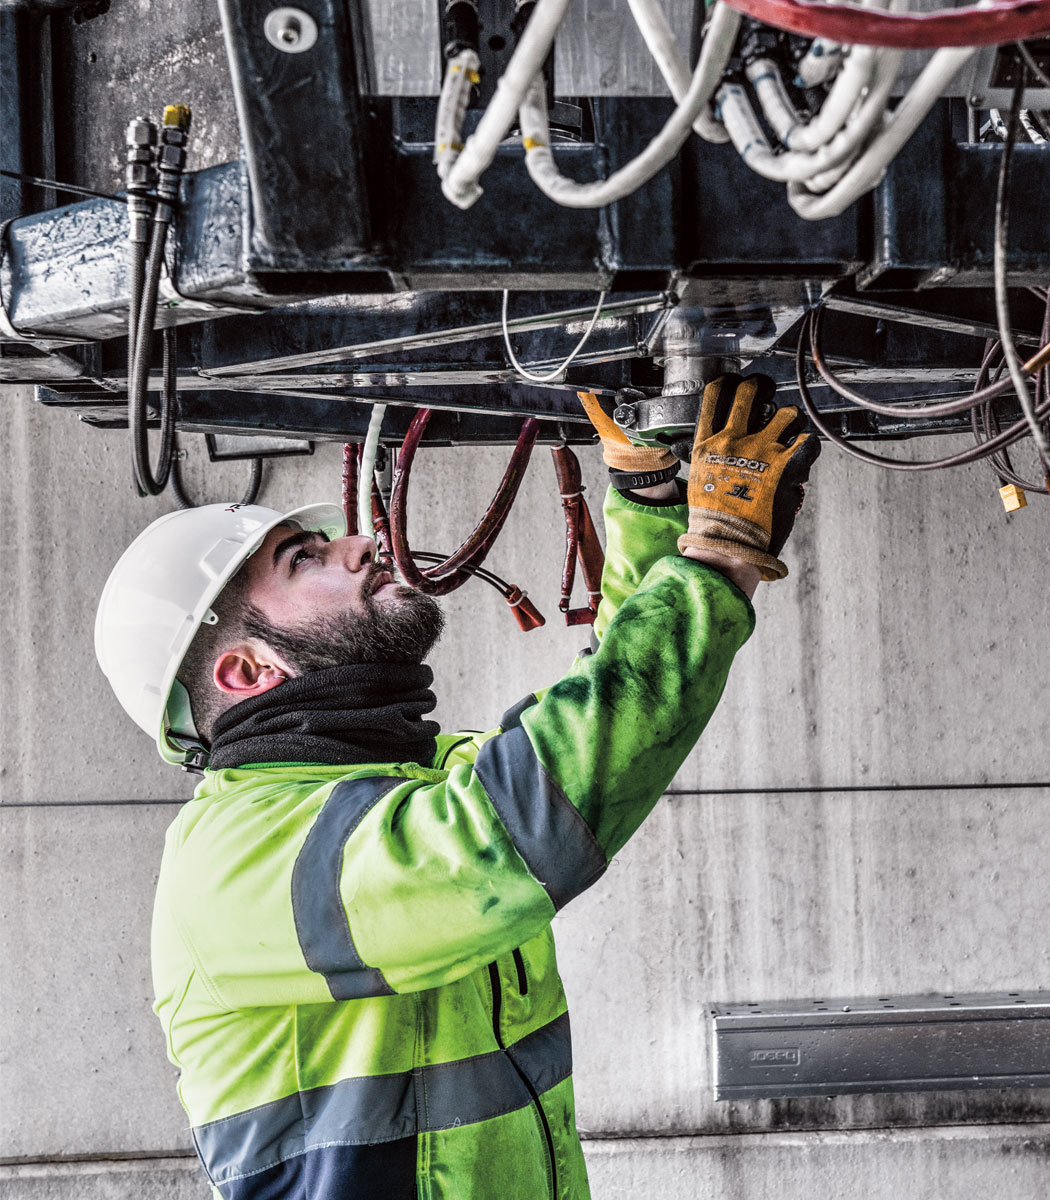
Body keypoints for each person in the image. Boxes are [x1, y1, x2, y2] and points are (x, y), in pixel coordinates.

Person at [93, 375, 818, 1199]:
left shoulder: (411, 787)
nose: (359, 544)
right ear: (248, 669)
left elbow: (595, 714)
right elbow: (519, 822)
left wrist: (652, 505)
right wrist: (718, 559)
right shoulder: (236, 859)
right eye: (306, 559)